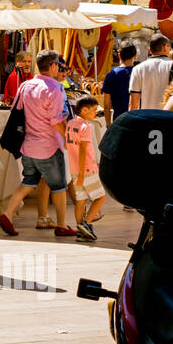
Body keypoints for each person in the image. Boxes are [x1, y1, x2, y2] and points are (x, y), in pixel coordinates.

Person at [0, 50, 75, 238]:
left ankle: (7, 214)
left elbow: (17, 111)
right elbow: (57, 120)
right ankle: (62, 225)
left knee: (28, 182)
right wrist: (69, 139)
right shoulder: (55, 88)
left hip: (28, 145)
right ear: (53, 66)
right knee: (59, 186)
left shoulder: (26, 86)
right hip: (48, 146)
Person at [66, 96, 106, 241]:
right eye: (94, 110)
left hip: (74, 169)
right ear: (84, 110)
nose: (95, 113)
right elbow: (83, 150)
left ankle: (81, 232)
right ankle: (86, 224)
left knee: (81, 201)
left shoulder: (70, 124)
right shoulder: (85, 127)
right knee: (101, 197)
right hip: (86, 169)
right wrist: (83, 173)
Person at [128, 35, 173, 111]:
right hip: (169, 118)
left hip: (146, 118)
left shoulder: (137, 69)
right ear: (165, 47)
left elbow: (133, 104)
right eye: (168, 47)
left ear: (150, 50)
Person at [101, 42, 138, 125]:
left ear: (119, 56)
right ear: (135, 56)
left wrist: (108, 125)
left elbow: (107, 105)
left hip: (118, 121)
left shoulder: (111, 75)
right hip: (138, 120)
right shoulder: (139, 73)